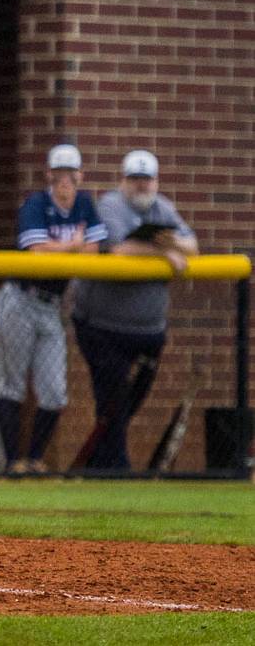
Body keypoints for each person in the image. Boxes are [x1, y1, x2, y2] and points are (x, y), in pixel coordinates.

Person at [72, 150, 198, 471]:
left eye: (147, 179)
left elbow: (192, 247)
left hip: (148, 331)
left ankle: (97, 464)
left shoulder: (163, 207)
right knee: (113, 397)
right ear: (123, 180)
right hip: (101, 326)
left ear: (156, 181)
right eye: (135, 179)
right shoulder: (111, 205)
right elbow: (118, 248)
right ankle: (116, 470)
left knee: (128, 402)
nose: (142, 186)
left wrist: (166, 245)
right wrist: (165, 250)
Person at [0, 143, 105, 474]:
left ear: (80, 176)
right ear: (49, 176)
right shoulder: (36, 203)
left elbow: (94, 251)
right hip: (20, 298)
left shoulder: (84, 203)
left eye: (71, 174)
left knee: (54, 391)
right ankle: (14, 463)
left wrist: (64, 250)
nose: (65, 181)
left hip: (52, 304)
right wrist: (72, 245)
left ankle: (35, 459)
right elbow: (37, 253)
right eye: (59, 174)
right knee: (13, 383)